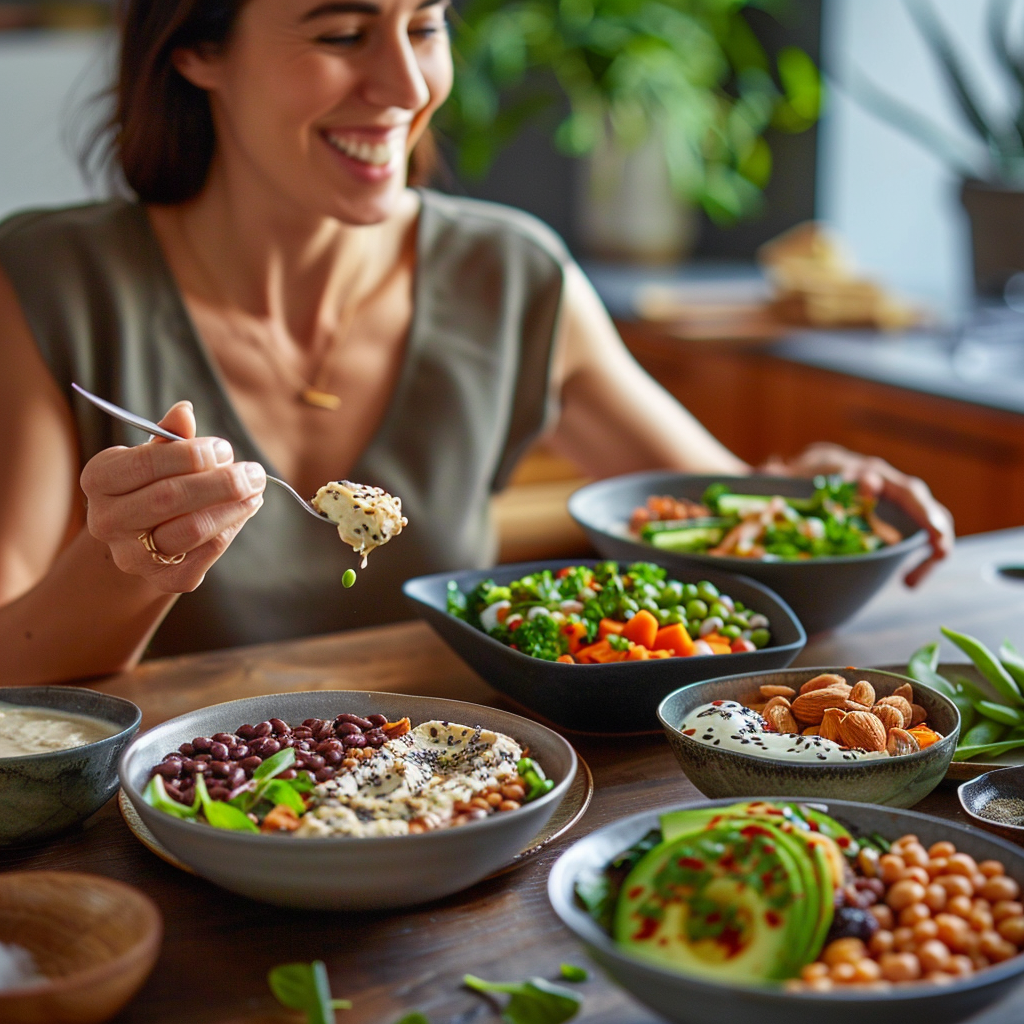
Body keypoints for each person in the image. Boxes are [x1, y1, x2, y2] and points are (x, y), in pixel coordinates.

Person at [0, 0, 953, 687]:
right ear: (197, 49)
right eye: (341, 33)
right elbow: (11, 661)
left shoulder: (512, 274)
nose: (407, 86)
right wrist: (128, 563)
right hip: (173, 836)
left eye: (426, 25)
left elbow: (717, 532)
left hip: (467, 809)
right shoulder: (50, 280)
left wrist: (806, 498)